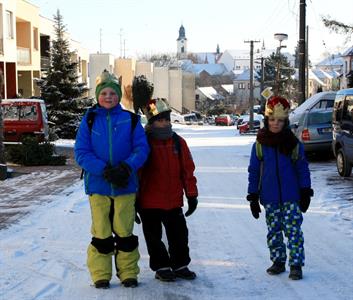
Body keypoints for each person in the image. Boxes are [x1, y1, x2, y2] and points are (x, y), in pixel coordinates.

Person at [75, 70, 149, 289]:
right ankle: (101, 274)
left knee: (125, 231)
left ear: (118, 96)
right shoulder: (89, 120)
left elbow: (142, 148)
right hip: (99, 185)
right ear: (98, 96)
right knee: (101, 232)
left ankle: (128, 273)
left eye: (113, 93)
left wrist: (127, 167)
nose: (109, 97)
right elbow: (81, 152)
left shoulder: (131, 120)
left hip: (125, 184)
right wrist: (104, 170)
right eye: (104, 93)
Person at [247, 96, 313, 280]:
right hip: (270, 197)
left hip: (292, 197)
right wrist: (252, 195)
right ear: (266, 120)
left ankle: (296, 264)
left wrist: (305, 191)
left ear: (286, 122)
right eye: (272, 119)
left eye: (280, 120)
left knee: (293, 231)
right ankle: (278, 261)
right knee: (274, 231)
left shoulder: (293, 144)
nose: (276, 123)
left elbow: (302, 169)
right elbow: (254, 171)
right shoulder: (260, 145)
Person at [137, 98, 198, 282]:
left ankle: (180, 264)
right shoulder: (144, 144)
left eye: (166, 119)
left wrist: (192, 194)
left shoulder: (178, 143)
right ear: (151, 122)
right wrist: (133, 201)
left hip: (173, 201)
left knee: (179, 235)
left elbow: (188, 170)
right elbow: (137, 173)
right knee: (154, 237)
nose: (163, 123)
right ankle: (162, 266)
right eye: (159, 120)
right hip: (149, 202)